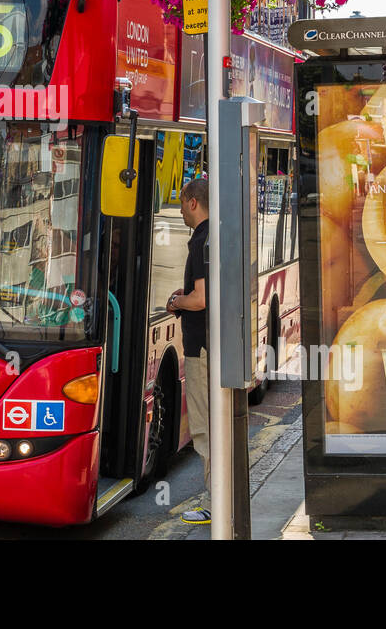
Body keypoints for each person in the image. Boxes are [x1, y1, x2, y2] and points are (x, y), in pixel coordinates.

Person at [168, 177, 211, 523]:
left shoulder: (200, 241)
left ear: (193, 202)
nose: (180, 209)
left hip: (201, 348)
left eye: (182, 202)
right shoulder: (212, 236)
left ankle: (215, 501)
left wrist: (176, 301)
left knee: (203, 426)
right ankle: (219, 498)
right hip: (211, 344)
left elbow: (201, 299)